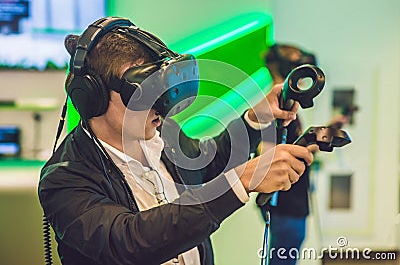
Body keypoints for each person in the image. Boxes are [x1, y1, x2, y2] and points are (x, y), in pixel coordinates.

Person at [38, 17, 314, 265]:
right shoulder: (64, 178)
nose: (160, 107)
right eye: (143, 94)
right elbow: (130, 241)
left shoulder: (163, 132)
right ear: (93, 97)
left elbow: (208, 162)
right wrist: (239, 181)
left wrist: (256, 117)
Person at [257, 44, 348, 265]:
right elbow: (267, 155)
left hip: (293, 199)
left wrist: (322, 133)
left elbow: (293, 146)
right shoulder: (273, 109)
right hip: (285, 202)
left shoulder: (287, 108)